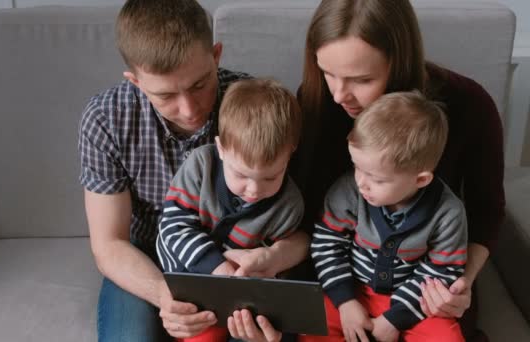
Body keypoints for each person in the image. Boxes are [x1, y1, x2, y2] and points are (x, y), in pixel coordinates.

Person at [78, 1, 309, 341]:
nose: (188, 109)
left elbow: (298, 226)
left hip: (239, 263)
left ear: (216, 55)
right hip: (146, 257)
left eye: (200, 84)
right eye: (166, 95)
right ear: (136, 81)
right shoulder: (105, 119)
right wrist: (164, 295)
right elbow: (109, 244)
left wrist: (271, 259)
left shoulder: (254, 109)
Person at [291, 0, 504, 340]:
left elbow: (487, 212)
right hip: (344, 283)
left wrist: (460, 281)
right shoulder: (317, 102)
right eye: (327, 73)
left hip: (427, 289)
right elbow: (309, 216)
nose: (339, 95)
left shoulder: (469, 104)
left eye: (361, 79)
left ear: (399, 62)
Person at [301, 91, 467, 342]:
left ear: (420, 179)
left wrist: (396, 318)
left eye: (377, 179)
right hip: (350, 288)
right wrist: (345, 301)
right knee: (314, 325)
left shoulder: (448, 212)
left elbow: (442, 270)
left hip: (413, 299)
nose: (361, 183)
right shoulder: (349, 190)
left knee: (445, 338)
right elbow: (327, 242)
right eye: (357, 167)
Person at [156, 79, 304, 341]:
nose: (254, 190)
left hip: (241, 298)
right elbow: (174, 227)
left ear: (289, 156)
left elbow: (275, 271)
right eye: (241, 175)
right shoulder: (200, 165)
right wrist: (220, 269)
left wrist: (257, 279)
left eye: (271, 177)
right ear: (221, 148)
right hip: (186, 280)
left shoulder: (289, 204)